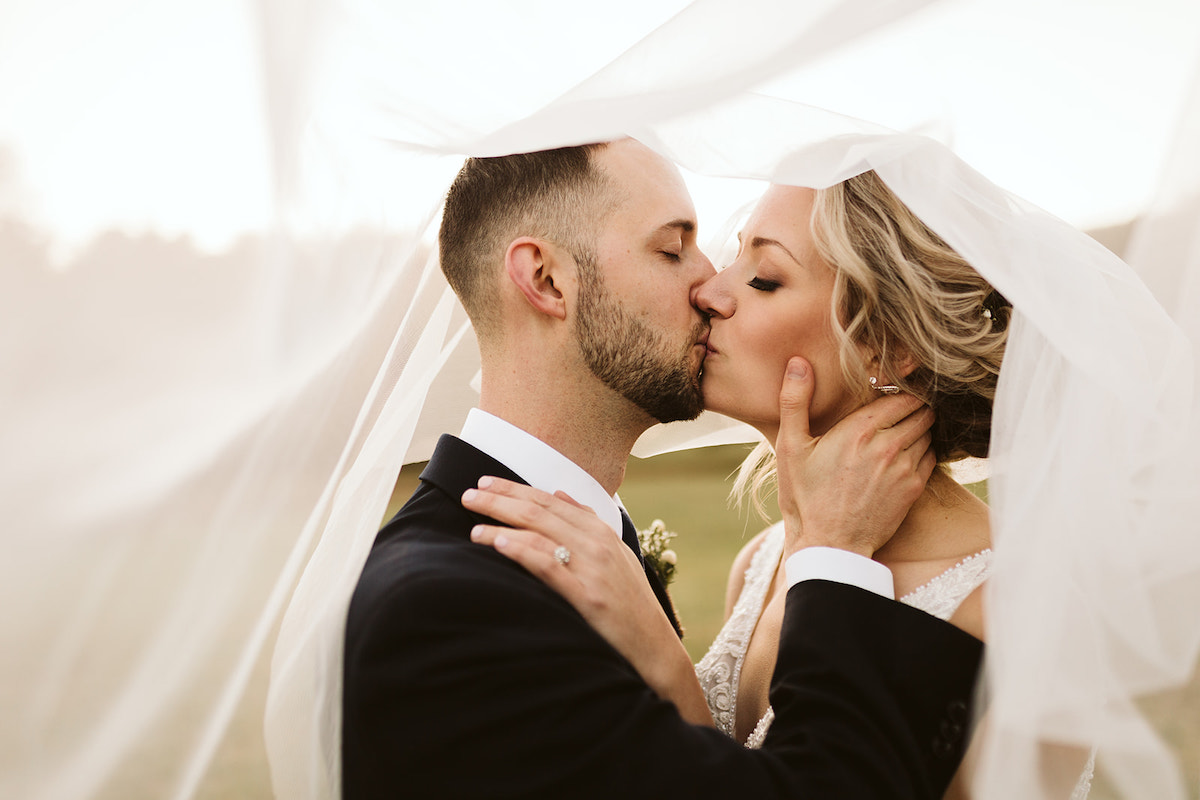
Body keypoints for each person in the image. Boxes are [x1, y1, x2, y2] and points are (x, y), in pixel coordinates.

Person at [341, 139, 984, 799]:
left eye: (756, 273)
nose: (709, 287)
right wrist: (833, 556)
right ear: (546, 279)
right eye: (671, 250)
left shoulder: (583, 552)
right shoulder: (453, 608)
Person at [469, 172, 1098, 799]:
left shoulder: (1019, 617)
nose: (710, 290)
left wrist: (662, 663)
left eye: (764, 277)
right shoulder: (764, 562)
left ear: (888, 344)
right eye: (736, 254)